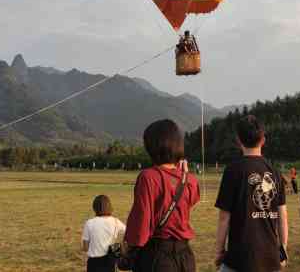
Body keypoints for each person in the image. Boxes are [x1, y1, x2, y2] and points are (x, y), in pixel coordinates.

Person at [125, 119, 200, 272]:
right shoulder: (190, 179)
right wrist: (182, 174)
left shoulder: (148, 177)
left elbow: (140, 225)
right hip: (185, 256)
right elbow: (190, 201)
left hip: (158, 255)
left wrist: (128, 250)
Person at [215, 115, 288, 272]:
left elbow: (223, 218)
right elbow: (283, 216)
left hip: (240, 258)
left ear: (238, 141)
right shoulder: (275, 172)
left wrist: (219, 250)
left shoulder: (232, 171)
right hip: (270, 257)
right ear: (263, 140)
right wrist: (283, 249)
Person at [82, 195, 126, 272]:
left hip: (93, 263)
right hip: (110, 261)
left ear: (94, 208)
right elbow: (128, 233)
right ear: (110, 207)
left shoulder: (89, 223)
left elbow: (85, 247)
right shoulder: (116, 222)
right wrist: (121, 246)